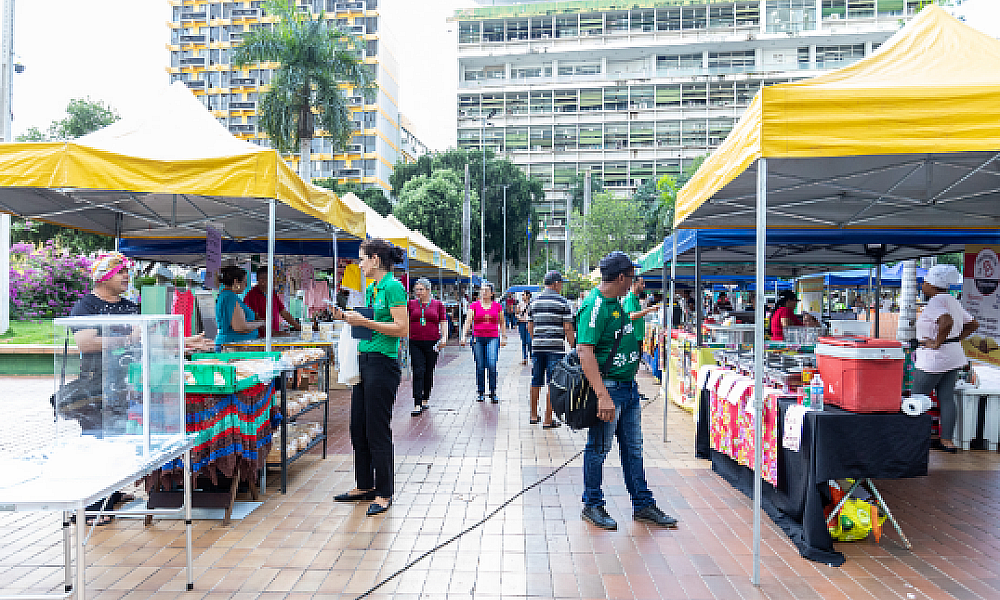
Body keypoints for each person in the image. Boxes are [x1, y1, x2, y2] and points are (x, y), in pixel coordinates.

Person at [66, 252, 211, 525]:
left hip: (126, 386)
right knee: (96, 441)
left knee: (120, 441)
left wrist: (186, 342)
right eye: (120, 272)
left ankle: (109, 494)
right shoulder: (87, 306)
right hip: (97, 386)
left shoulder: (130, 307)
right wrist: (127, 338)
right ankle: (89, 507)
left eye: (125, 271)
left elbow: (148, 340)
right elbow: (86, 343)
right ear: (104, 275)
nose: (126, 277)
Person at [578, 251, 677, 530]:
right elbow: (585, 351)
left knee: (633, 449)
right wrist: (602, 395)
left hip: (628, 389)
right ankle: (593, 504)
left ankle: (642, 504)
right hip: (610, 390)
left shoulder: (616, 303)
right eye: (632, 277)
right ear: (621, 277)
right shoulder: (595, 305)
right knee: (598, 448)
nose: (635, 282)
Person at [332, 238, 408, 516]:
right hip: (365, 361)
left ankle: (384, 492)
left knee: (377, 429)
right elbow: (375, 324)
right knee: (357, 426)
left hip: (382, 364)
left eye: (363, 258)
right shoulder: (375, 288)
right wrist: (350, 318)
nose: (360, 263)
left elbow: (401, 328)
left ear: (375, 260)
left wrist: (364, 322)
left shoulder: (393, 286)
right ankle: (365, 485)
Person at [912, 265, 978, 453]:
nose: (922, 285)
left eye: (924, 282)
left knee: (918, 398)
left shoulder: (935, 302)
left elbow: (946, 321)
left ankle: (916, 440)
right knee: (947, 398)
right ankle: (947, 440)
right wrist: (953, 340)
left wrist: (937, 342)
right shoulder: (952, 300)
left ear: (933, 285)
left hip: (934, 358)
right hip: (953, 355)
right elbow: (973, 323)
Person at [526, 271, 575, 428]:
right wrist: (574, 346)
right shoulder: (563, 302)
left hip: (538, 348)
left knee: (536, 380)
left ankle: (533, 416)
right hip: (555, 348)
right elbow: (568, 328)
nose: (561, 287)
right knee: (553, 383)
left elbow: (529, 326)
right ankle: (548, 419)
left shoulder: (533, 301)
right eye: (561, 283)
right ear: (555, 284)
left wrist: (537, 340)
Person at [460, 282, 507, 403]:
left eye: (486, 290)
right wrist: (464, 336)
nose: (484, 292)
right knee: (480, 365)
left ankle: (493, 391)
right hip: (478, 338)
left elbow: (502, 322)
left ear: (492, 293)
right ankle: (480, 392)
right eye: (482, 290)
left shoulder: (497, 306)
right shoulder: (474, 305)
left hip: (493, 337)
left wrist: (504, 336)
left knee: (492, 364)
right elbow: (468, 321)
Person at [407, 278, 447, 416]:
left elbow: (443, 321)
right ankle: (417, 403)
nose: (418, 292)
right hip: (415, 341)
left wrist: (444, 337)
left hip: (433, 342)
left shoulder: (438, 304)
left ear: (428, 290)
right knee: (418, 371)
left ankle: (425, 398)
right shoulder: (411, 304)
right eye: (416, 290)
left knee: (428, 371)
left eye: (421, 290)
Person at [243, 265, 301, 338]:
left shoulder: (272, 293)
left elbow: (283, 312)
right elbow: (255, 319)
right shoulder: (251, 296)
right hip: (258, 338)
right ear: (261, 280)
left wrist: (298, 327)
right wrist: (274, 333)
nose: (275, 281)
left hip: (273, 337)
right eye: (272, 279)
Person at [215, 266, 263, 350]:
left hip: (231, 344)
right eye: (244, 282)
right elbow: (240, 327)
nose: (246, 285)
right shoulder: (230, 297)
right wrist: (262, 323)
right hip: (232, 346)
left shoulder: (227, 296)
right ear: (236, 281)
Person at [622, 275, 658, 386]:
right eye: (642, 283)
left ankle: (633, 387)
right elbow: (631, 316)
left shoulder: (634, 298)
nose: (644, 286)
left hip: (636, 336)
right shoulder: (630, 299)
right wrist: (648, 310)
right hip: (632, 337)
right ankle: (630, 388)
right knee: (632, 365)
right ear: (634, 283)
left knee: (635, 365)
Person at [515, 290, 533, 364]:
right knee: (523, 341)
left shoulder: (532, 304)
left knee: (529, 341)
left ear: (528, 295)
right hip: (522, 323)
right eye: (522, 295)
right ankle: (524, 358)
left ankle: (531, 356)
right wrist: (518, 317)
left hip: (529, 323)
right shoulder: (520, 304)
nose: (522, 296)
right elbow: (516, 313)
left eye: (523, 295)